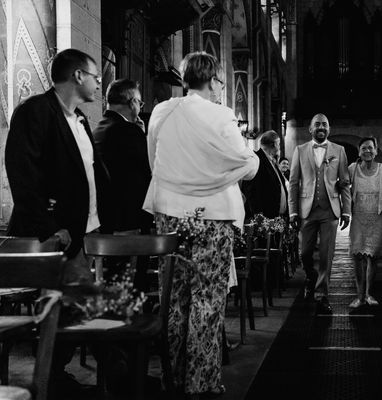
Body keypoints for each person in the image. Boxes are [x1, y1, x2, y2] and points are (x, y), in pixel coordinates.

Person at [143, 51, 259, 398]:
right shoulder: (222, 115)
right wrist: (252, 158)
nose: (220, 87)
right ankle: (202, 381)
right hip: (213, 216)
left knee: (174, 298)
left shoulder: (162, 111)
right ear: (211, 80)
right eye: (220, 81)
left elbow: (154, 161)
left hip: (169, 212)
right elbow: (244, 164)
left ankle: (173, 377)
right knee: (208, 298)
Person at [5, 48, 112, 395]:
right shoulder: (35, 112)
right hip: (55, 235)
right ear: (78, 76)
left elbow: (88, 174)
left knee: (74, 308)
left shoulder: (79, 119)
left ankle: (55, 375)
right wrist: (50, 227)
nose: (99, 83)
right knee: (90, 305)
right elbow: (23, 173)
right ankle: (119, 377)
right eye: (96, 76)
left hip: (82, 231)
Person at [288, 113, 351, 315]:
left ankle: (322, 296)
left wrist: (347, 211)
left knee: (326, 255)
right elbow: (293, 184)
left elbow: (344, 184)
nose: (321, 127)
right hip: (306, 211)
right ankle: (310, 275)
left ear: (329, 128)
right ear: (310, 129)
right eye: (317, 124)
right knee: (304, 253)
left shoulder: (339, 151)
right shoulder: (300, 150)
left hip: (329, 211)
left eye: (324, 124)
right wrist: (293, 212)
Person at [93, 79, 152, 234]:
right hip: (129, 218)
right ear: (133, 103)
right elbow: (149, 169)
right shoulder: (129, 131)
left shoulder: (99, 128)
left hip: (105, 215)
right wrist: (141, 135)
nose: (139, 108)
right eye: (140, 103)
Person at [347, 137, 382, 308]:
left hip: (377, 217)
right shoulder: (352, 169)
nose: (367, 151)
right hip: (359, 217)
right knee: (358, 256)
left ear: (376, 151)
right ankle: (359, 296)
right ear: (359, 151)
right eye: (364, 148)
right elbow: (344, 189)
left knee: (372, 258)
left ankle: (368, 294)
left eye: (370, 148)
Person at [242, 130, 288, 219]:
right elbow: (251, 191)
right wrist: (259, 217)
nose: (279, 147)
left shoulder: (272, 160)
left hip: (277, 217)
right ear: (274, 144)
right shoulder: (257, 159)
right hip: (265, 219)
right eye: (278, 144)